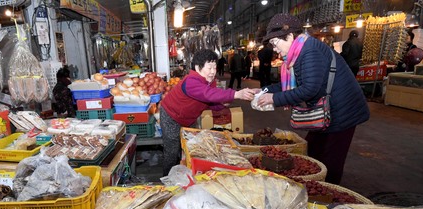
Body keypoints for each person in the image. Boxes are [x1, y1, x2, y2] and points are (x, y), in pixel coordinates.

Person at [255, 13, 370, 184]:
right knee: (313, 150)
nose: (275, 49)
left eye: (275, 43)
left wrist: (274, 99)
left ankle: (327, 195)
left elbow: (309, 89)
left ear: (289, 36)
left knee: (331, 159)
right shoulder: (297, 53)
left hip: (342, 111)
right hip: (328, 109)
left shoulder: (309, 50)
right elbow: (290, 86)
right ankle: (315, 185)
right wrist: (262, 90)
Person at [159, 49, 255, 176]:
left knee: (192, 148)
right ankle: (168, 180)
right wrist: (236, 94)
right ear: (198, 68)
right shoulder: (191, 81)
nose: (213, 71)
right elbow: (208, 94)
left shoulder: (210, 81)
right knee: (172, 150)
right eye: (209, 68)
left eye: (215, 67)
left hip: (188, 118)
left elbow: (208, 101)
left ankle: (187, 175)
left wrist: (221, 105)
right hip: (171, 116)